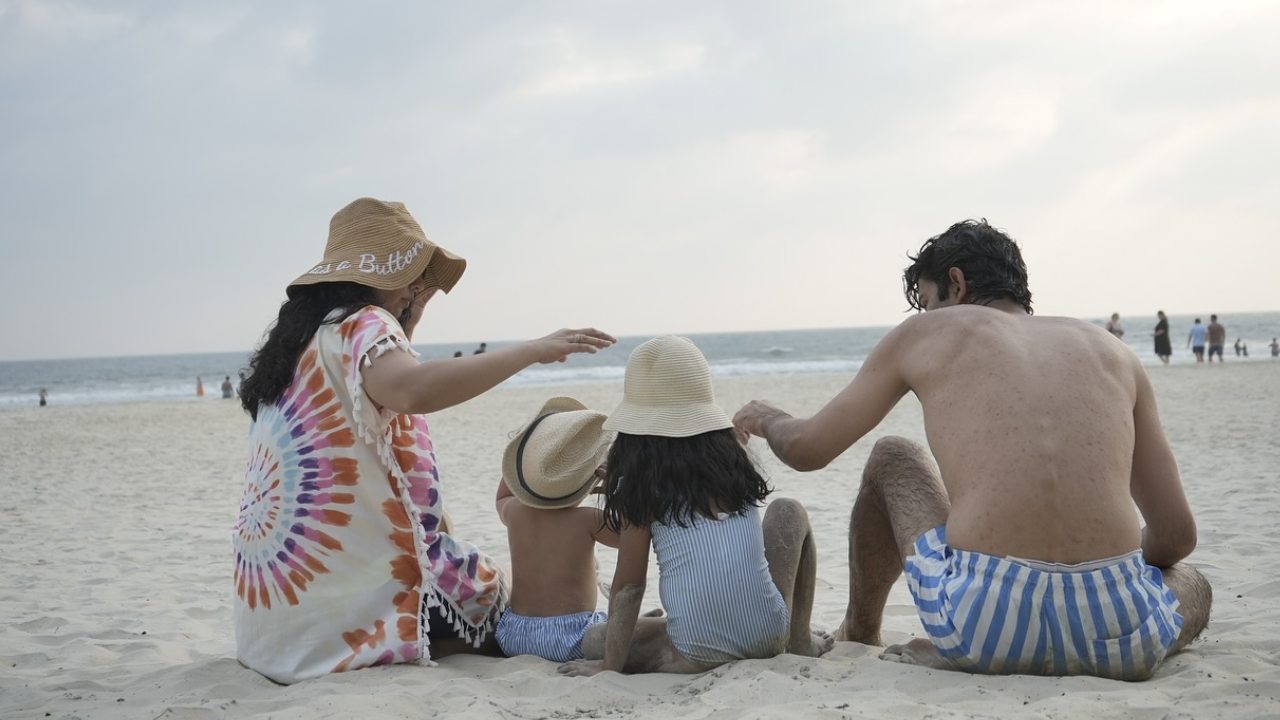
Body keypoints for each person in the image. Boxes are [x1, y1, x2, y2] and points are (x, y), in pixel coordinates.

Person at [734, 219, 1209, 681]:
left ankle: (861, 629)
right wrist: (1102, 565)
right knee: (1194, 584)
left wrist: (770, 417)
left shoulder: (925, 335)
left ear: (955, 284)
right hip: (1121, 636)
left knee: (893, 456)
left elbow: (808, 450)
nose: (926, 316)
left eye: (926, 301)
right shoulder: (1114, 352)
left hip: (980, 628)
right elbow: (1175, 536)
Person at [232, 197, 615, 684]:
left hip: (277, 617)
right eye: (416, 280)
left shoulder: (296, 350)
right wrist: (532, 351)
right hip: (349, 614)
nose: (421, 292)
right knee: (503, 604)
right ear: (393, 278)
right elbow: (413, 389)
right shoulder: (363, 323)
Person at [560, 336, 833, 677]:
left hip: (697, 651)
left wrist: (608, 668)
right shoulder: (735, 465)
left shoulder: (640, 488)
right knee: (788, 510)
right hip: (769, 636)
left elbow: (629, 588)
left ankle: (664, 632)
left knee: (595, 640)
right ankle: (799, 638)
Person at [495, 396, 665, 665]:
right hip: (571, 636)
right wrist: (617, 492)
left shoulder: (515, 512)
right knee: (619, 629)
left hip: (514, 635)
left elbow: (503, 495)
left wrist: (522, 463)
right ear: (592, 478)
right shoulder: (587, 519)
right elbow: (636, 534)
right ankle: (642, 623)